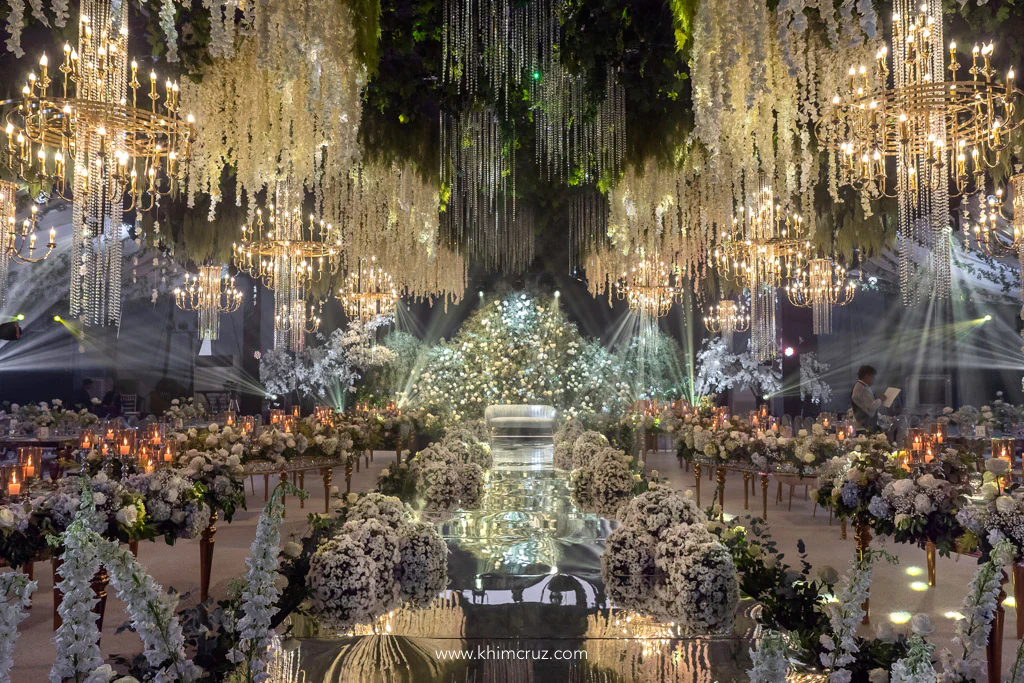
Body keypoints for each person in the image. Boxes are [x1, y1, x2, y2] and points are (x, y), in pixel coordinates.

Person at [851, 365, 882, 432]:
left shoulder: (859, 386)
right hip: (864, 424)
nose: (873, 380)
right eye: (872, 377)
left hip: (861, 422)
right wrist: (880, 399)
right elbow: (872, 407)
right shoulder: (863, 389)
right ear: (866, 376)